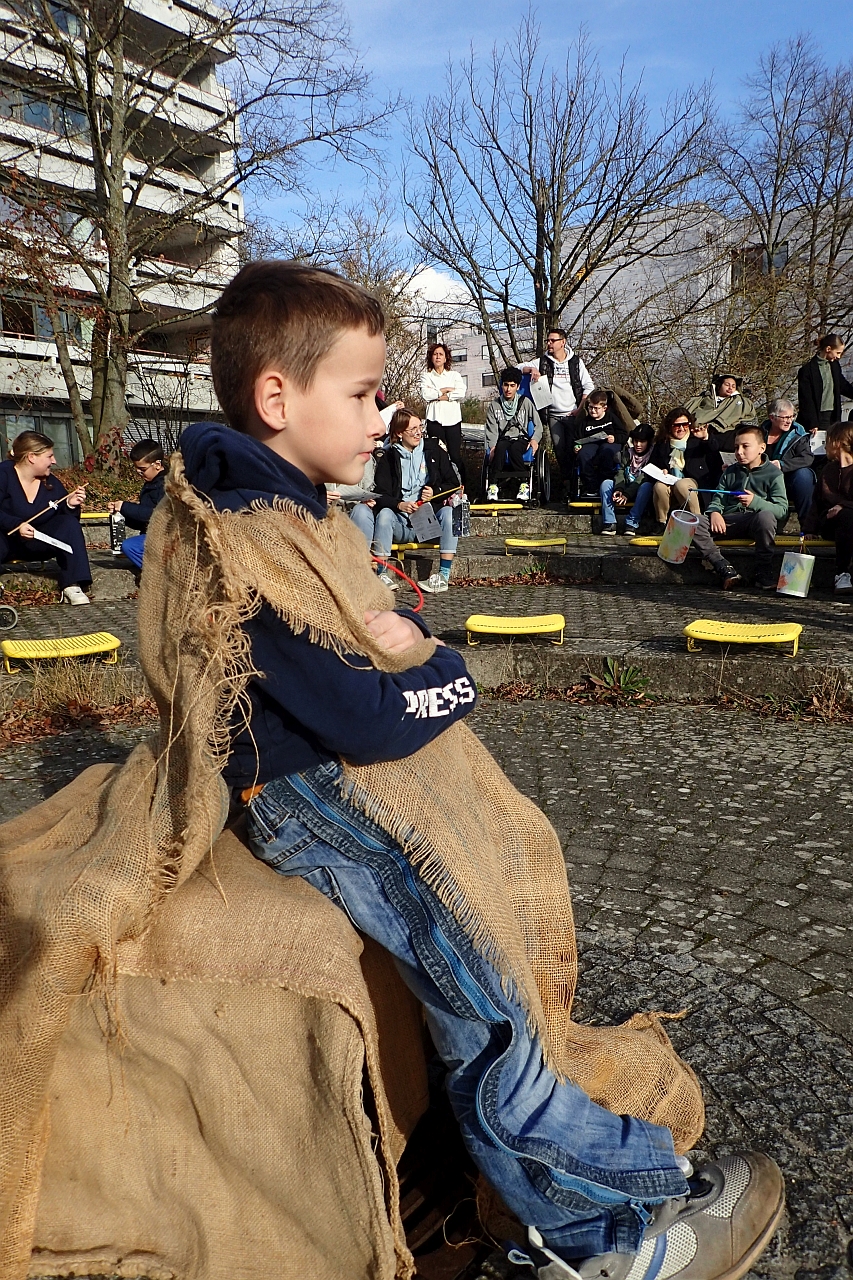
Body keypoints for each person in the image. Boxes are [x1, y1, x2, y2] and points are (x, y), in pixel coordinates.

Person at [170, 260, 786, 1280]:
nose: (381, 416)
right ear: (277, 397)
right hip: (307, 799)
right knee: (483, 1003)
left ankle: (607, 1189)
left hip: (320, 779)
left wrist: (405, 650)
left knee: (485, 948)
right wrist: (443, 669)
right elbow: (366, 712)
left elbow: (370, 649)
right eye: (361, 394)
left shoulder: (289, 508)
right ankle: (599, 1236)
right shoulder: (247, 533)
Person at [371, 407, 460, 594]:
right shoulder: (388, 457)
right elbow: (380, 494)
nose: (418, 433)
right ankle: (381, 574)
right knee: (385, 514)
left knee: (449, 513)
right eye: (413, 429)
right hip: (400, 522)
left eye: (420, 427)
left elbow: (453, 483)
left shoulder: (434, 450)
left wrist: (435, 491)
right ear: (399, 433)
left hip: (428, 522)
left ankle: (443, 575)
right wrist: (400, 504)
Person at [691, 425, 789, 591]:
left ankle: (763, 571)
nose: (739, 452)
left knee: (766, 517)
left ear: (761, 448)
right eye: (736, 447)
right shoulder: (730, 471)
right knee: (692, 521)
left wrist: (755, 502)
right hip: (728, 521)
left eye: (745, 446)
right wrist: (714, 512)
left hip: (754, 521)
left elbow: (782, 510)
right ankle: (724, 567)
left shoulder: (774, 474)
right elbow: (719, 497)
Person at [0, 430, 91, 603]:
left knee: (69, 524)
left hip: (38, 543)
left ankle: (72, 584)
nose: (54, 461)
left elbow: (65, 521)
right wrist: (16, 525)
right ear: (31, 457)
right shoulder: (3, 474)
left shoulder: (51, 482)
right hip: (6, 541)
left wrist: (70, 505)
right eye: (49, 456)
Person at [521, 328, 594, 486]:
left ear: (563, 342)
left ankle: (578, 482)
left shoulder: (576, 362)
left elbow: (588, 387)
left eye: (553, 340)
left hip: (573, 414)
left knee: (574, 448)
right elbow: (517, 368)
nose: (549, 343)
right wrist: (532, 369)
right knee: (559, 449)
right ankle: (566, 482)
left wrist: (580, 409)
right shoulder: (542, 362)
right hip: (554, 415)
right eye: (547, 340)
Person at [802, 420, 853, 595]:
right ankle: (842, 573)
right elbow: (817, 501)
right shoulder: (828, 470)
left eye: (827, 441)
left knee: (847, 516)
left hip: (848, 518)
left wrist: (843, 506)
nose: (824, 446)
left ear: (838, 443)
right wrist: (809, 529)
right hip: (831, 523)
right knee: (845, 518)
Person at [639, 408, 706, 531]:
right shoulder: (662, 444)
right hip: (670, 482)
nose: (681, 428)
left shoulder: (697, 441)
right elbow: (651, 468)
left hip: (692, 483)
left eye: (685, 424)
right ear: (670, 426)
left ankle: (698, 522)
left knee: (682, 484)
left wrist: (706, 438)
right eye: (677, 425)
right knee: (659, 486)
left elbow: (713, 454)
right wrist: (661, 472)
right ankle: (661, 523)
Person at [484, 366, 542, 502]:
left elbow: (538, 425)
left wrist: (534, 440)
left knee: (515, 449)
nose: (508, 389)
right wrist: (492, 447)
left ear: (518, 386)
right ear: (501, 386)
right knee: (499, 449)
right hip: (503, 438)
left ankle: (524, 484)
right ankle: (493, 485)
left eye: (512, 385)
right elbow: (491, 429)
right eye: (506, 385)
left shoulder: (525, 402)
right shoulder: (495, 405)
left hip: (521, 438)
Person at [107, 439, 166, 569]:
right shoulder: (151, 483)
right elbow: (142, 521)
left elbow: (156, 515)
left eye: (142, 469)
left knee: (130, 546)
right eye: (136, 468)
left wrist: (125, 507)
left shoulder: (166, 485)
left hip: (165, 537)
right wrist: (122, 514)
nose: (139, 472)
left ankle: (157, 572)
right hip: (152, 534)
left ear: (157, 464)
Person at [760, 399, 815, 527]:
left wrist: (782, 465)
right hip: (762, 479)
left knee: (804, 475)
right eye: (785, 417)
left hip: (787, 480)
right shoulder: (758, 434)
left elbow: (807, 458)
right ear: (772, 417)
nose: (789, 421)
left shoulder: (798, 435)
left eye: (792, 416)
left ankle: (808, 526)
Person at [420, 342, 467, 485]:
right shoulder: (426, 376)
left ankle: (461, 485)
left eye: (441, 354)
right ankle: (439, 486)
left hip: (453, 421)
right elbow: (426, 395)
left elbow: (461, 392)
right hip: (434, 420)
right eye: (435, 354)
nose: (438, 357)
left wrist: (442, 395)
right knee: (437, 454)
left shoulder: (454, 375)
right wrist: (446, 389)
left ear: (446, 358)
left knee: (455, 455)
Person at [571, 389, 630, 496]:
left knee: (607, 452)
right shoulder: (585, 422)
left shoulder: (612, 418)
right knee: (583, 454)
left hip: (610, 443)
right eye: (590, 407)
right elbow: (577, 438)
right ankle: (591, 487)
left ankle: (605, 484)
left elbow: (624, 434)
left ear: (604, 408)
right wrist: (577, 446)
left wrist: (615, 438)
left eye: (596, 408)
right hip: (590, 444)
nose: (593, 411)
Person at [599, 424, 654, 535]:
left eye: (642, 442)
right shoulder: (627, 453)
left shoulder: (652, 456)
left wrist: (627, 494)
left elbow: (643, 478)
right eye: (636, 441)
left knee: (647, 486)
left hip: (638, 490)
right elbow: (620, 471)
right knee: (606, 484)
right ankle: (609, 522)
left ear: (648, 442)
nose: (638, 445)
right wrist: (619, 489)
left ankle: (631, 523)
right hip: (625, 486)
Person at [797, 334, 853, 432]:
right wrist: (812, 423)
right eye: (837, 353)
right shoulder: (807, 371)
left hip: (833, 417)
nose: (838, 356)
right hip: (817, 419)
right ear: (828, 349)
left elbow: (843, 386)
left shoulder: (834, 366)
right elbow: (806, 400)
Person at [685, 374, 756, 447]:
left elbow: (748, 417)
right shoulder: (704, 398)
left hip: (722, 432)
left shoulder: (740, 401)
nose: (730, 388)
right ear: (719, 386)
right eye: (727, 385)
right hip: (696, 429)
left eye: (733, 386)